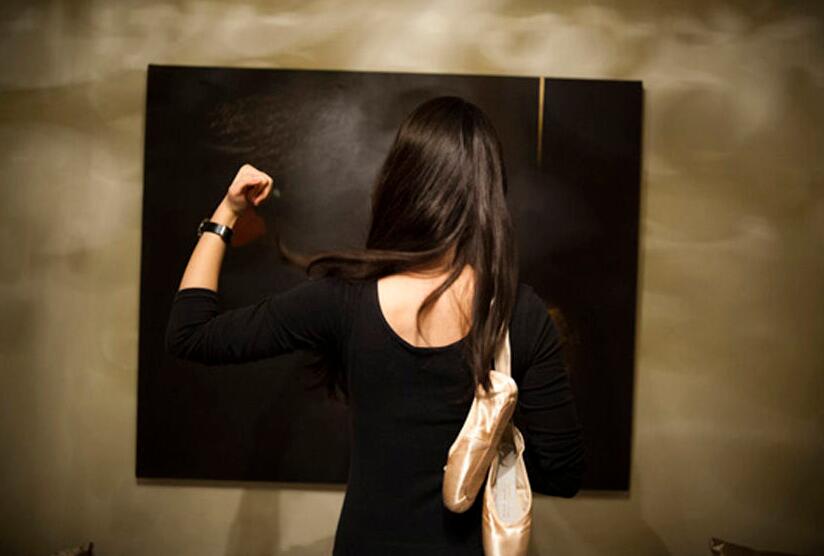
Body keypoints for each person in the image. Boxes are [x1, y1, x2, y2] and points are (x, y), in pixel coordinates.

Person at [165, 96, 586, 555]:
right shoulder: (519, 312)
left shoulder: (343, 300)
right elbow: (561, 473)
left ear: (401, 181)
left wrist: (226, 215)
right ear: (490, 193)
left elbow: (190, 334)